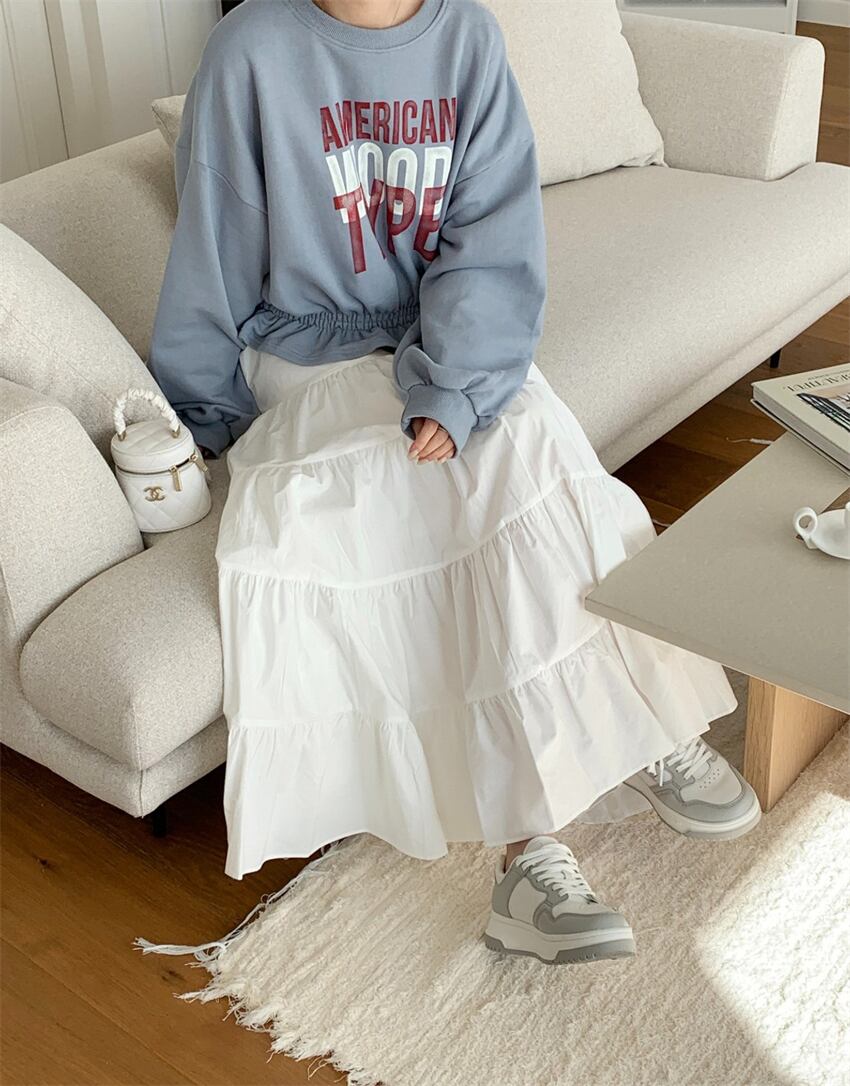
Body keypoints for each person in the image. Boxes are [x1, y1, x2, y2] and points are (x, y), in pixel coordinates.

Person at [148, 0, 760, 966]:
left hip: (444, 334)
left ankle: (637, 733)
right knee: (423, 495)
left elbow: (493, 234)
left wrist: (459, 384)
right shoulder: (251, 51)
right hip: (306, 353)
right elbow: (211, 251)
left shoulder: (467, 38)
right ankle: (529, 855)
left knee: (538, 451)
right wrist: (211, 425)